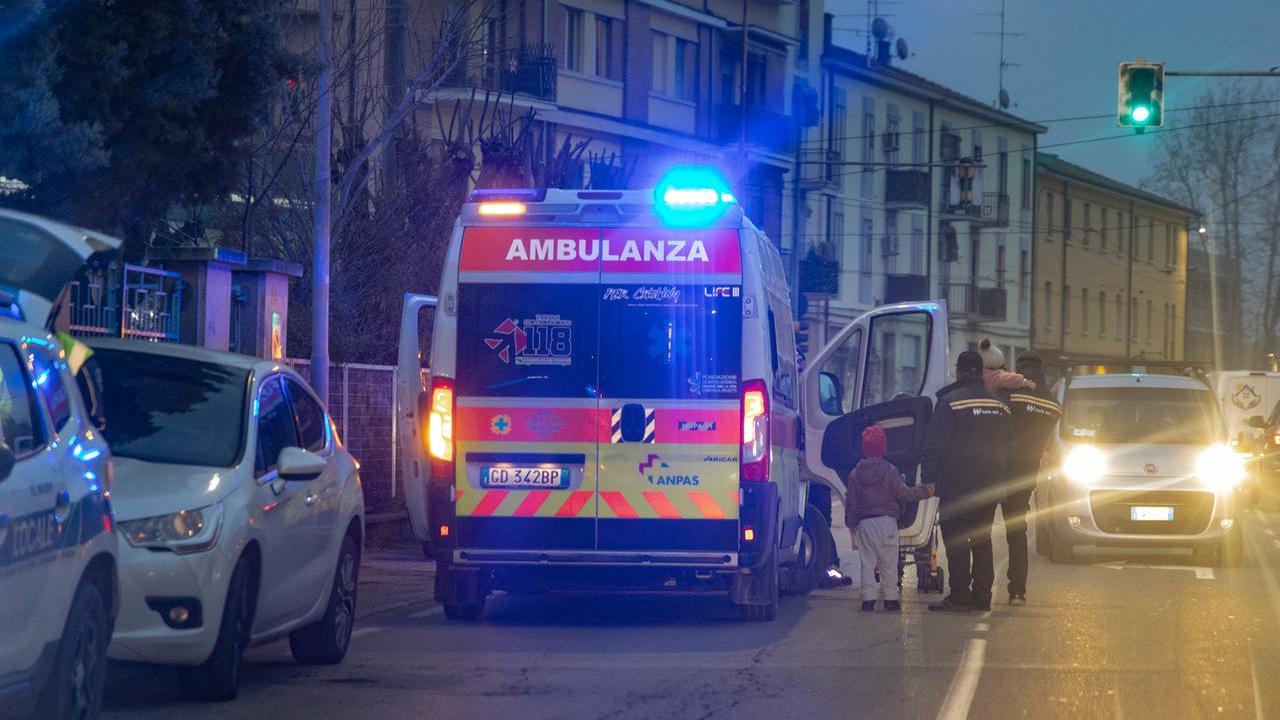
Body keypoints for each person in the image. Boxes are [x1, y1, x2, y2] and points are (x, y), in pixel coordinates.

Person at [925, 350, 1010, 613]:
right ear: (981, 373)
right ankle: (983, 596)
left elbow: (935, 445)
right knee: (982, 539)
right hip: (989, 486)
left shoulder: (949, 402)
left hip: (957, 486)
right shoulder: (999, 407)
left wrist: (928, 478)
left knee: (958, 540)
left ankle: (960, 594)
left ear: (959, 372)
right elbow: (1008, 446)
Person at [846, 425, 934, 612]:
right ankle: (891, 600)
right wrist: (925, 491)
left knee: (867, 564)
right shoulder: (890, 471)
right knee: (889, 564)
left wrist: (851, 524)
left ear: (864, 448)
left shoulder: (855, 473)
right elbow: (904, 493)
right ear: (883, 447)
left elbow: (851, 503)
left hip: (865, 523)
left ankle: (868, 600)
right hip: (887, 522)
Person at [998, 351, 1061, 605]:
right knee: (1017, 529)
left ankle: (977, 590)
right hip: (1027, 473)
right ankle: (1018, 588)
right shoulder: (1053, 404)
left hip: (1000, 468)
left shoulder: (1010, 394)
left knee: (978, 528)